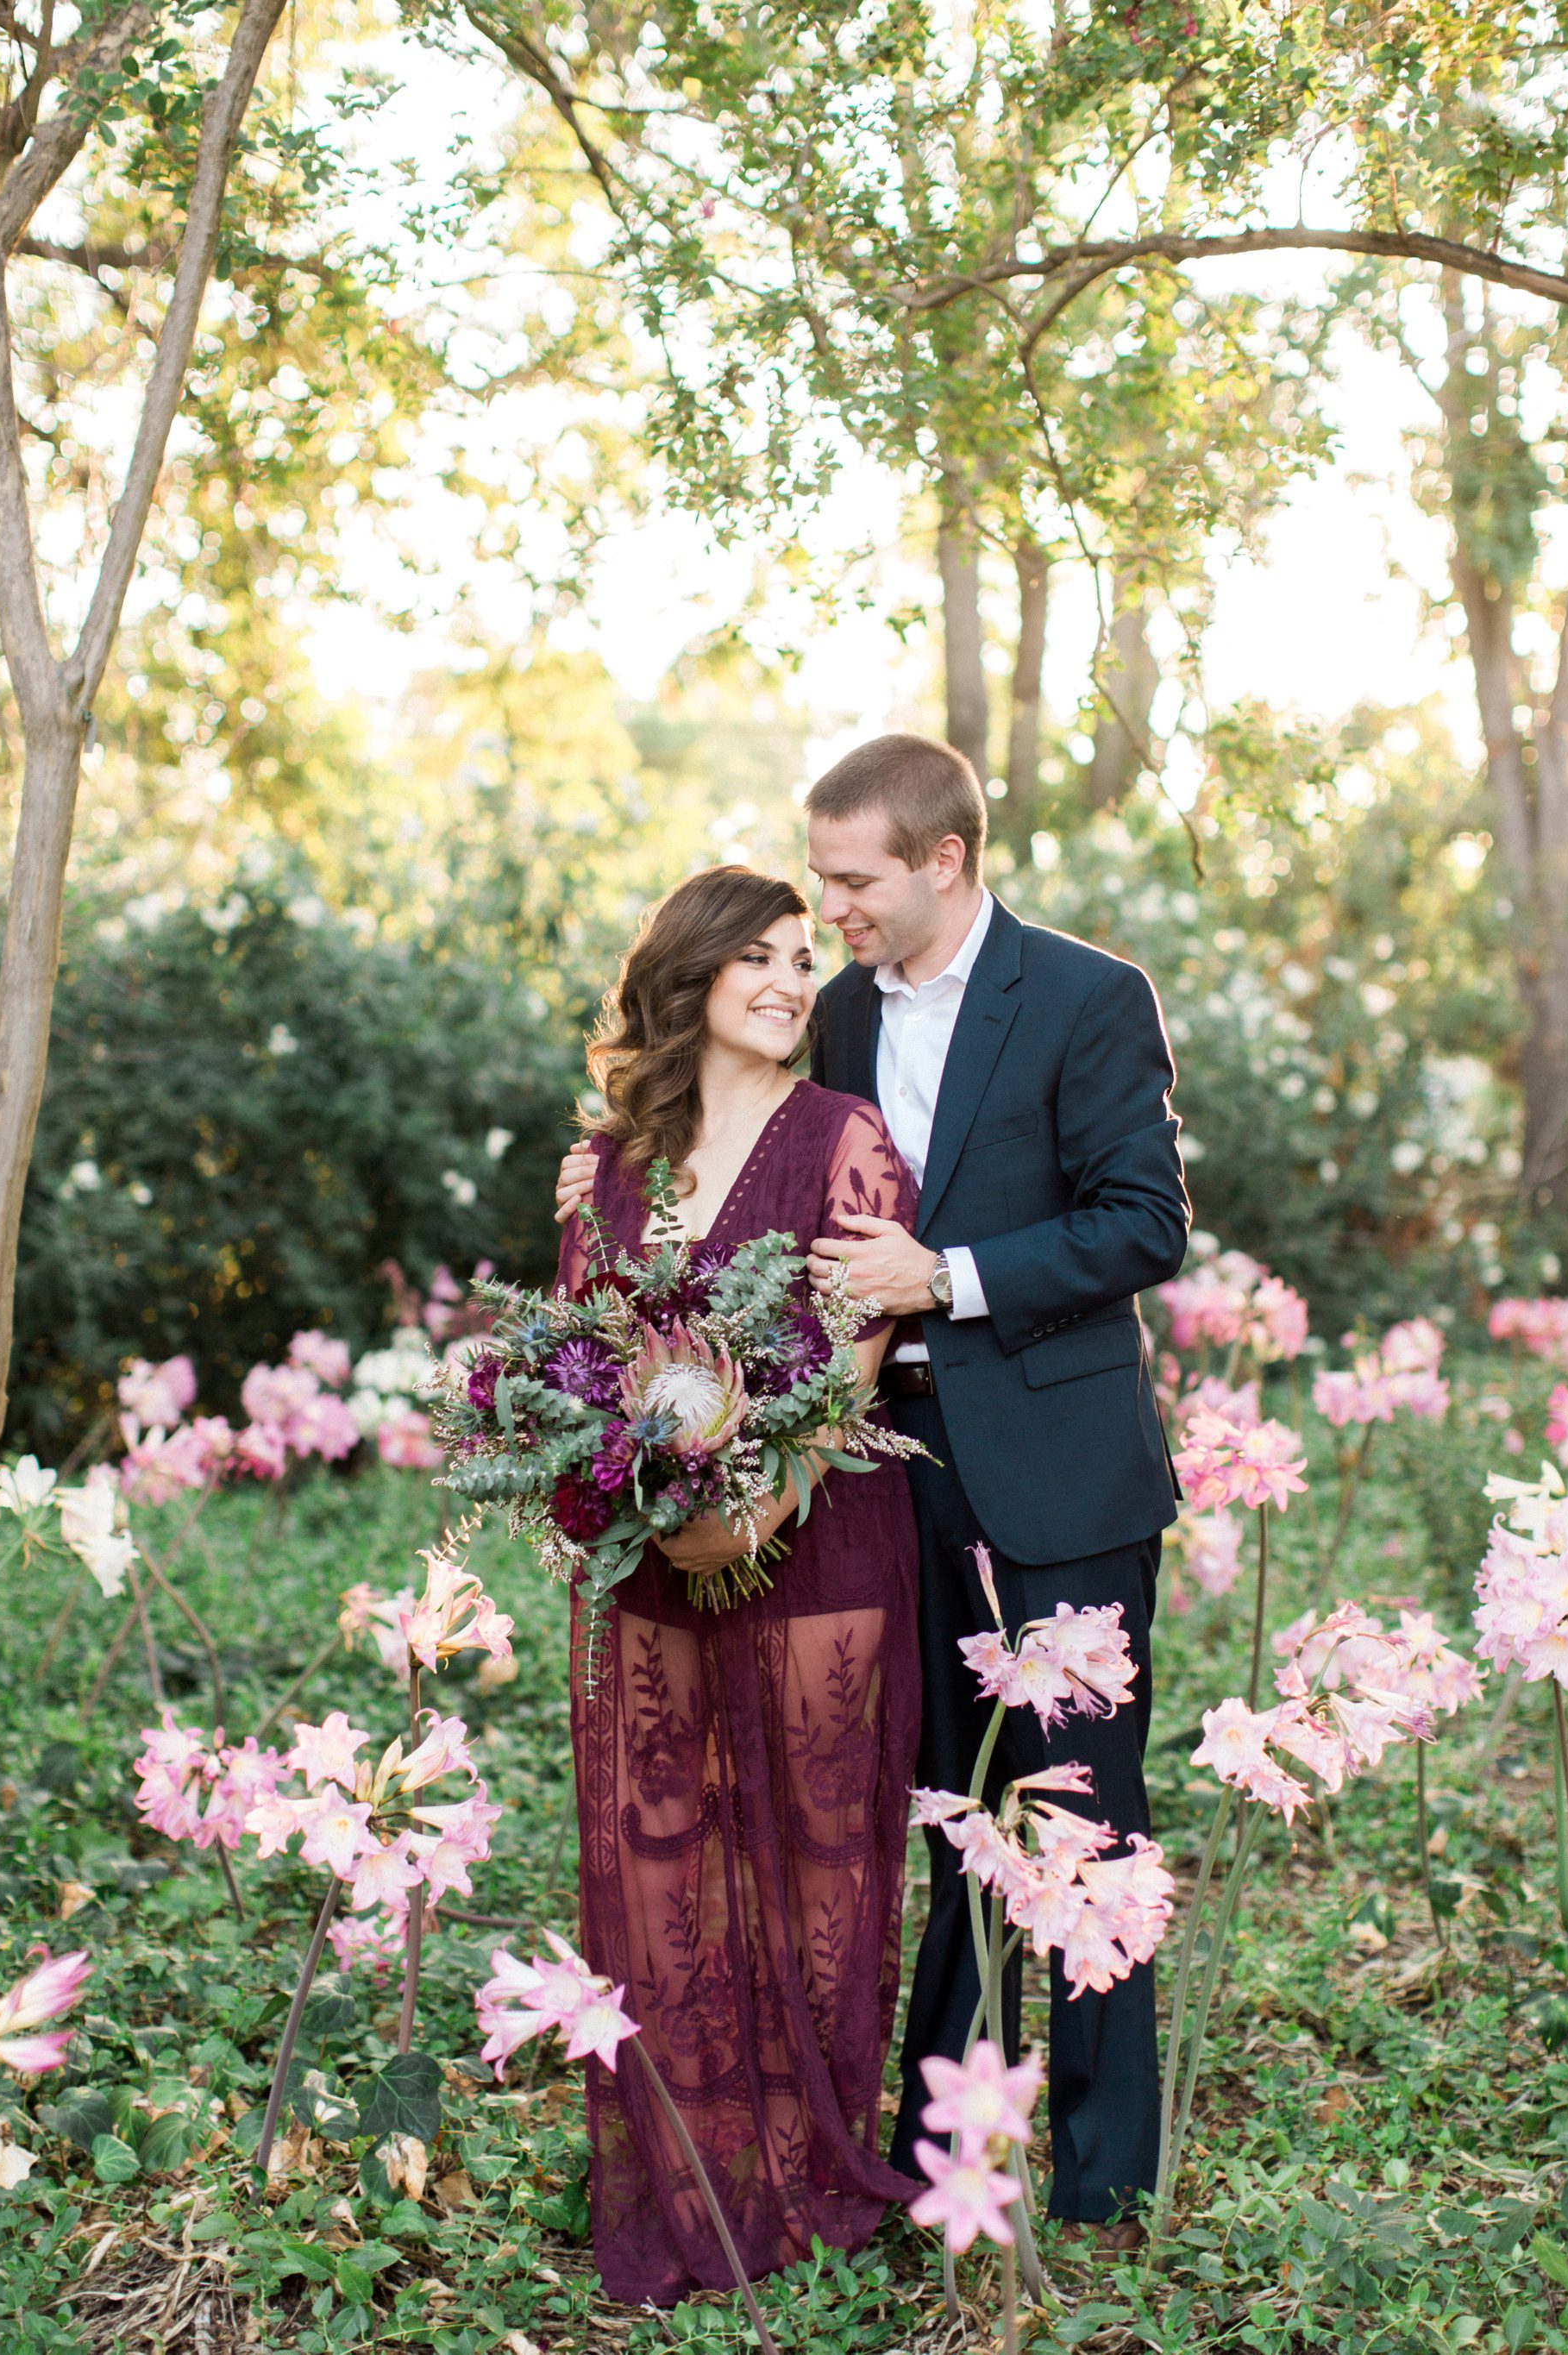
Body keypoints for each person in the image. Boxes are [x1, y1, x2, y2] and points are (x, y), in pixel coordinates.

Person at [557, 736, 1189, 2249]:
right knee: (948, 1813)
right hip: (878, 1481)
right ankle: (937, 2161)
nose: (830, 907)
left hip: (1059, 1471)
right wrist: (608, 1189)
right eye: (819, 878)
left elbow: (1144, 1221)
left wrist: (946, 1275)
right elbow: (738, 1168)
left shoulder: (1088, 995)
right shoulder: (831, 1011)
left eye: (852, 880)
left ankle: (1103, 2181)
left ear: (943, 860)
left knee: (1084, 1815)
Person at [552, 864, 923, 2308]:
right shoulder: (613, 1166)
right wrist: (636, 1508)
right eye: (757, 956)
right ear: (692, 974)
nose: (788, 981)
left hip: (814, 1542)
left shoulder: (844, 1137)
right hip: (654, 1560)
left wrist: (762, 1502)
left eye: (803, 957)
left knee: (816, 1863)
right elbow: (578, 1361)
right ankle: (693, 2172)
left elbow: (853, 1357)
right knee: (670, 1854)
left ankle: (809, 2179)